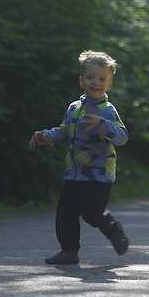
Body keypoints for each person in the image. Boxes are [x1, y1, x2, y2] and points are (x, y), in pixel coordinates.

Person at [30, 50, 129, 265]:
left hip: (99, 174)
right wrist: (46, 136)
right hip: (74, 172)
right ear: (81, 80)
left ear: (109, 84)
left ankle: (113, 229)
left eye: (102, 79)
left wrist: (103, 125)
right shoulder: (74, 108)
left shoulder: (107, 111)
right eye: (90, 77)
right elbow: (65, 132)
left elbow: (122, 137)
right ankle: (69, 251)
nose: (96, 82)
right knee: (66, 212)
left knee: (92, 214)